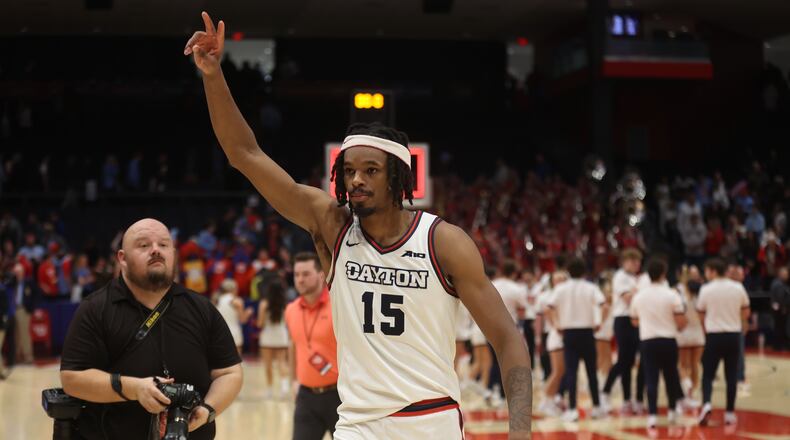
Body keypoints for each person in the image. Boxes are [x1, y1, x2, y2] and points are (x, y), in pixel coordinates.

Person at [186, 12, 532, 438]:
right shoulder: (332, 227)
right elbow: (246, 155)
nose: (356, 180)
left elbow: (507, 339)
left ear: (398, 178)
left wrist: (521, 433)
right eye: (349, 170)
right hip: (357, 425)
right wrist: (213, 76)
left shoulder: (443, 242)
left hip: (431, 421)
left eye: (370, 171)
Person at [60, 218, 243, 440]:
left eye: (164, 245)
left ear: (173, 253)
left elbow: (230, 373)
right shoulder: (95, 309)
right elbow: (71, 378)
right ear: (122, 258)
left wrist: (207, 410)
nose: (156, 250)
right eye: (144, 245)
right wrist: (134, 389)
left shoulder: (201, 308)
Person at [284, 252, 340, 440]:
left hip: (339, 396)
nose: (300, 280)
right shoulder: (291, 310)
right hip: (306, 397)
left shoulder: (338, 306)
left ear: (321, 275)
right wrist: (293, 380)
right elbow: (293, 345)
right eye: (297, 274)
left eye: (306, 274)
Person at [547, 257, 608, 422]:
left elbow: (549, 307)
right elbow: (604, 305)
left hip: (569, 334)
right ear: (585, 272)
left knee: (571, 372)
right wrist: (599, 323)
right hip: (588, 332)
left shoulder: (561, 289)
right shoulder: (591, 287)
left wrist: (556, 324)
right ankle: (596, 407)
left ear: (568, 272)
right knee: (591, 372)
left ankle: (573, 409)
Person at [629, 258, 687, 430]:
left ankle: (652, 415)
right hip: (668, 340)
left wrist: (649, 321)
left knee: (650, 377)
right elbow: (681, 321)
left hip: (648, 340)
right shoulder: (671, 294)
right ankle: (671, 411)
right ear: (663, 274)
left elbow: (634, 321)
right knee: (670, 376)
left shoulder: (639, 296)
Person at [697, 258, 751, 427]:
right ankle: (729, 413)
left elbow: (700, 314)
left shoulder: (706, 289)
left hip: (713, 335)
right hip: (733, 336)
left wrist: (707, 327)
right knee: (731, 376)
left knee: (707, 374)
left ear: (713, 270)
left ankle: (706, 404)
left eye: (707, 271)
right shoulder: (737, 287)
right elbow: (746, 311)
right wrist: (737, 321)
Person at [602, 249, 642, 413]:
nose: (635, 264)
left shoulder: (637, 278)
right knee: (624, 359)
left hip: (636, 318)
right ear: (624, 262)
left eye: (637, 261)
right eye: (632, 261)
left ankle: (628, 399)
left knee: (631, 361)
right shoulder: (620, 277)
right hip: (623, 320)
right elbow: (629, 298)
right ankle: (605, 391)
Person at [536, 270, 568, 417]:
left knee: (561, 371)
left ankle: (553, 399)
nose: (560, 281)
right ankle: (546, 401)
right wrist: (556, 325)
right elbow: (545, 313)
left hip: (563, 335)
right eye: (557, 279)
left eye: (563, 278)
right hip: (555, 335)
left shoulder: (566, 295)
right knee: (557, 371)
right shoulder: (548, 296)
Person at [257, 276, 290, 399]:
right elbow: (287, 321)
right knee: (282, 363)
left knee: (268, 365)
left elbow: (260, 323)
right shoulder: (285, 304)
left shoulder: (264, 304)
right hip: (281, 335)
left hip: (267, 336)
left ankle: (270, 391)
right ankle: (284, 388)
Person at [676, 265, 705, 404]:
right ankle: (692, 394)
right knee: (695, 365)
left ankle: (685, 391)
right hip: (698, 334)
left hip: (683, 333)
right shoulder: (701, 296)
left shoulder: (678, 294)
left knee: (683, 365)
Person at [215, 279, 253, 354]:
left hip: (219, 334)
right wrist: (248, 313)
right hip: (234, 333)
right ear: (234, 289)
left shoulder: (216, 300)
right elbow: (243, 320)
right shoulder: (236, 301)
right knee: (236, 362)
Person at [769, 265, 789, 351]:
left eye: (786, 274)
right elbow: (779, 298)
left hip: (781, 309)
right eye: (784, 274)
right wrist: (783, 307)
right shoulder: (777, 284)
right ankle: (778, 346)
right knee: (779, 328)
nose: (785, 275)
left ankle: (779, 345)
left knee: (781, 328)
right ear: (779, 274)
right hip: (779, 310)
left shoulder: (783, 284)